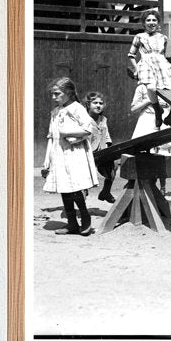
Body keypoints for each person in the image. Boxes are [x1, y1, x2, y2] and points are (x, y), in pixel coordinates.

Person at [41, 78, 98, 236]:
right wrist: (47, 159)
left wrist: (68, 133)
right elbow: (51, 137)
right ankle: (72, 223)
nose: (54, 97)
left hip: (74, 153)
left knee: (75, 187)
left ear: (69, 93)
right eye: (52, 94)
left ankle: (85, 219)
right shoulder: (55, 112)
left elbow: (88, 130)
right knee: (64, 188)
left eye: (57, 94)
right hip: (59, 153)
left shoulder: (77, 108)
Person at [127, 11, 171, 127]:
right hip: (146, 64)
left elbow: (163, 55)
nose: (151, 23)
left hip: (162, 65)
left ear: (158, 23)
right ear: (144, 24)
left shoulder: (163, 38)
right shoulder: (139, 37)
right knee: (150, 87)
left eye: (154, 20)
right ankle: (157, 111)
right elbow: (131, 55)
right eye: (148, 20)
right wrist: (137, 69)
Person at [84, 90, 115, 204]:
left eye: (101, 103)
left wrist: (108, 148)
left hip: (102, 152)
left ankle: (106, 191)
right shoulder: (84, 119)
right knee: (84, 177)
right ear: (88, 105)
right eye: (95, 103)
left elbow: (107, 136)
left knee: (113, 166)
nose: (98, 105)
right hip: (87, 152)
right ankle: (83, 197)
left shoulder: (103, 119)